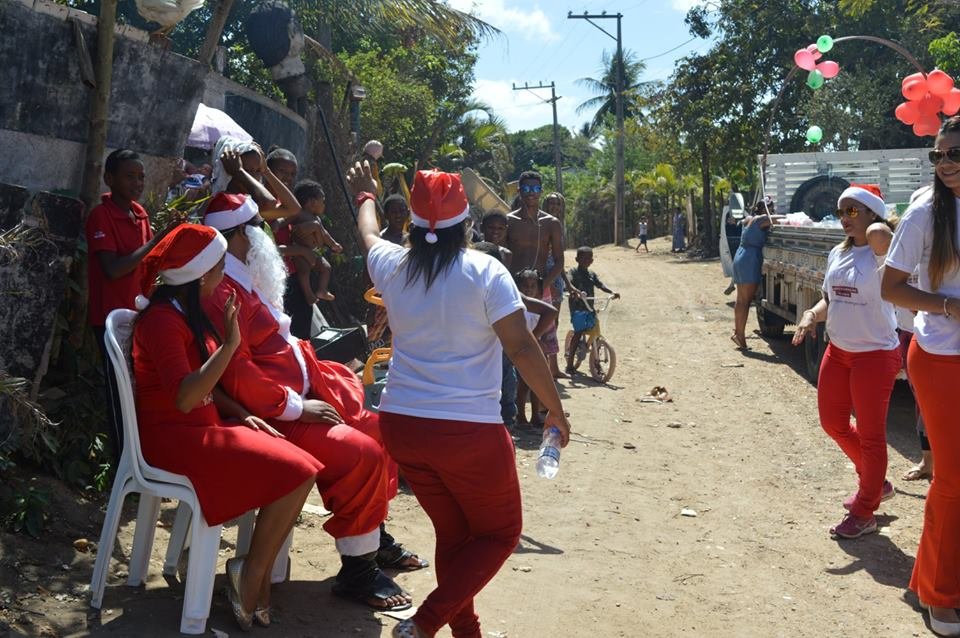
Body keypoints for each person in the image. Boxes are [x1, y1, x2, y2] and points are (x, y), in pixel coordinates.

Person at [349, 163, 571, 638]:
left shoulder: (393, 265)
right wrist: (555, 409)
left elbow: (367, 234)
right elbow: (520, 346)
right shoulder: (485, 271)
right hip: (468, 433)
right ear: (466, 223)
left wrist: (365, 194)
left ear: (412, 225)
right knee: (500, 534)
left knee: (455, 535)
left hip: (403, 427)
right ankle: (424, 623)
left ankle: (466, 631)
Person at [199, 193, 422, 614]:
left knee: (381, 429)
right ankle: (357, 570)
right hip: (274, 412)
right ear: (238, 236)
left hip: (302, 391)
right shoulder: (221, 291)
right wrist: (298, 408)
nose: (267, 236)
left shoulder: (245, 277)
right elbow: (239, 374)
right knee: (361, 453)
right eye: (258, 228)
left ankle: (373, 539)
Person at [131, 224, 319, 630]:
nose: (224, 274)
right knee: (299, 471)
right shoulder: (162, 321)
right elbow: (185, 397)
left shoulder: (188, 309)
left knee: (303, 466)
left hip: (204, 426)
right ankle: (252, 577)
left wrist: (239, 411)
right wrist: (231, 345)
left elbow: (207, 387)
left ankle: (253, 571)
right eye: (219, 267)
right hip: (175, 439)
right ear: (200, 275)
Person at [881, 116, 960, 636]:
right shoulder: (925, 213)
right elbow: (890, 287)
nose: (945, 163)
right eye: (938, 155)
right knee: (952, 479)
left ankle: (935, 576)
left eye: (954, 153)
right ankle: (939, 594)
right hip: (941, 357)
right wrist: (950, 307)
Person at [791, 184, 899, 540]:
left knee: (871, 436)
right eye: (841, 212)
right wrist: (811, 314)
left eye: (853, 211)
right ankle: (876, 482)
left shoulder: (883, 252)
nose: (843, 218)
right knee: (832, 423)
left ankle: (865, 510)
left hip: (875, 354)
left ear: (872, 214)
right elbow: (831, 299)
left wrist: (878, 225)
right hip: (838, 351)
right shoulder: (837, 253)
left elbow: (882, 236)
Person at [86, 148, 180, 462]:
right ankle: (122, 465)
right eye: (129, 176)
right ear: (109, 178)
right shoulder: (101, 215)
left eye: (141, 177)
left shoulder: (140, 214)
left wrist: (171, 240)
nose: (137, 183)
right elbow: (113, 269)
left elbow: (148, 264)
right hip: (109, 319)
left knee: (138, 392)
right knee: (118, 394)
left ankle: (141, 458)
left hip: (138, 316)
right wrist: (156, 241)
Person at [506, 171, 566, 379]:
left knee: (541, 342)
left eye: (535, 188)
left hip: (541, 289)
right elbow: (503, 256)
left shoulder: (551, 223)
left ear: (541, 191)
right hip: (514, 290)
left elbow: (559, 260)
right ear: (519, 191)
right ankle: (514, 387)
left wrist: (543, 286)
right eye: (526, 188)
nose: (531, 193)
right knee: (511, 339)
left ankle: (539, 386)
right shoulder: (509, 221)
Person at [730, 198, 783, 350]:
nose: (772, 211)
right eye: (771, 208)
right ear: (765, 209)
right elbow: (780, 219)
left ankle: (738, 333)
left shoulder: (748, 219)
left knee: (741, 299)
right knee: (746, 301)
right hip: (750, 259)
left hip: (740, 256)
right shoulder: (762, 219)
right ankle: (740, 336)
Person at [513, 268, 560, 427]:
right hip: (523, 350)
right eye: (525, 286)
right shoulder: (518, 308)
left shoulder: (540, 308)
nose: (529, 289)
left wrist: (538, 342)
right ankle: (521, 416)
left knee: (537, 386)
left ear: (538, 289)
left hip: (537, 349)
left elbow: (545, 328)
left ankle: (535, 416)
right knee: (523, 385)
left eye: (533, 286)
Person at [565, 247, 620, 375]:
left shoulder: (591, 274)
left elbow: (600, 284)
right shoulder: (572, 272)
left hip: (589, 308)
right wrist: (574, 292)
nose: (588, 260)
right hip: (578, 309)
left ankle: (596, 362)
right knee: (578, 333)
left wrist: (611, 292)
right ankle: (569, 364)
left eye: (590, 258)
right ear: (577, 259)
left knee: (595, 333)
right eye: (584, 258)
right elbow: (568, 283)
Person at [287, 180, 342, 305]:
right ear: (312, 202)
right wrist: (278, 224)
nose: (324, 205)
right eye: (323, 201)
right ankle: (309, 294)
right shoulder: (299, 214)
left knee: (326, 268)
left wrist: (333, 244)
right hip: (300, 252)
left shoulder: (316, 219)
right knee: (304, 271)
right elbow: (287, 221)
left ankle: (322, 290)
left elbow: (324, 234)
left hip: (314, 252)